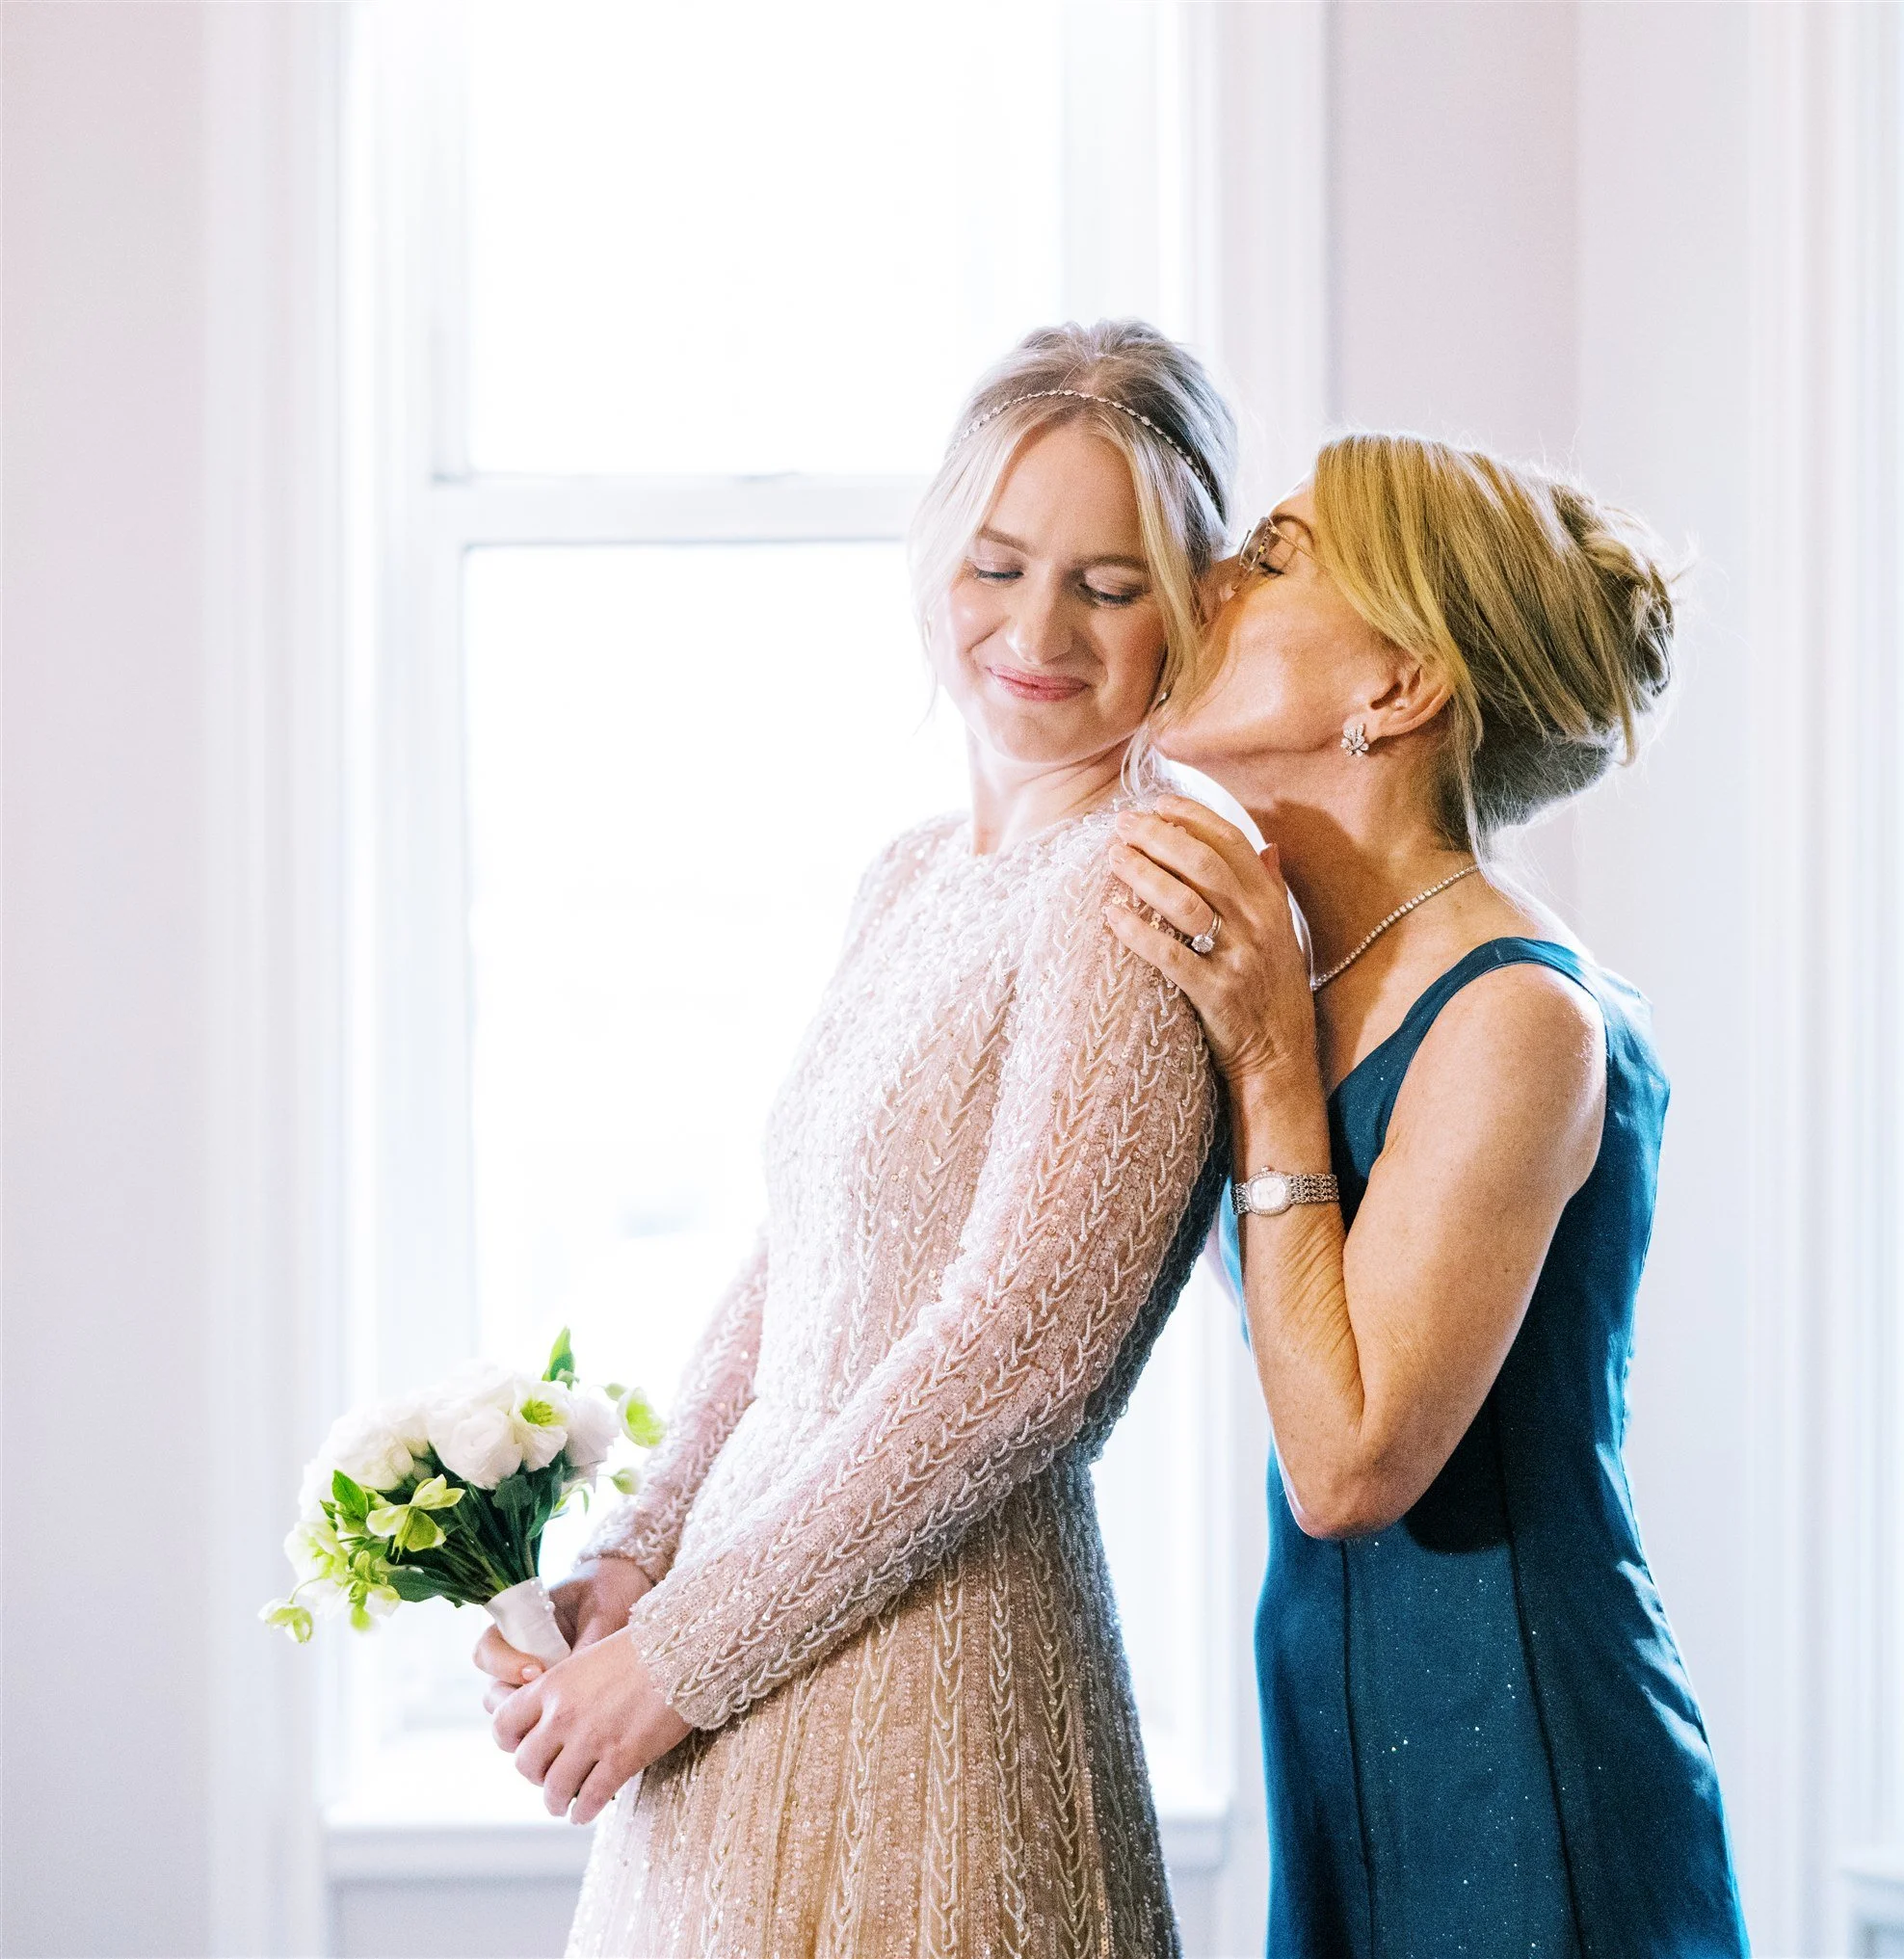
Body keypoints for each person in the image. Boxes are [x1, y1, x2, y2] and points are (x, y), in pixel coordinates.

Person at [474, 321, 1237, 1959]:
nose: (1038, 628)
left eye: (1109, 586)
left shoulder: (1138, 883)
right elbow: (801, 1256)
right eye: (1001, 562)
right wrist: (636, 1551)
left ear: (1192, 604)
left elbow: (1020, 1360)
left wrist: (678, 1662)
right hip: (745, 1655)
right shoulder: (909, 874)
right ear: (935, 560)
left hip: (939, 1677)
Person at [1107, 433, 1750, 1957]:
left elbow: (1347, 1469)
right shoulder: (1310, 967)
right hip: (1342, 1753)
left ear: (1395, 690)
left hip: (1523, 1772)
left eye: (1268, 559)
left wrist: (1269, 1062)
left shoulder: (1522, 1016)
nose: (1204, 582)